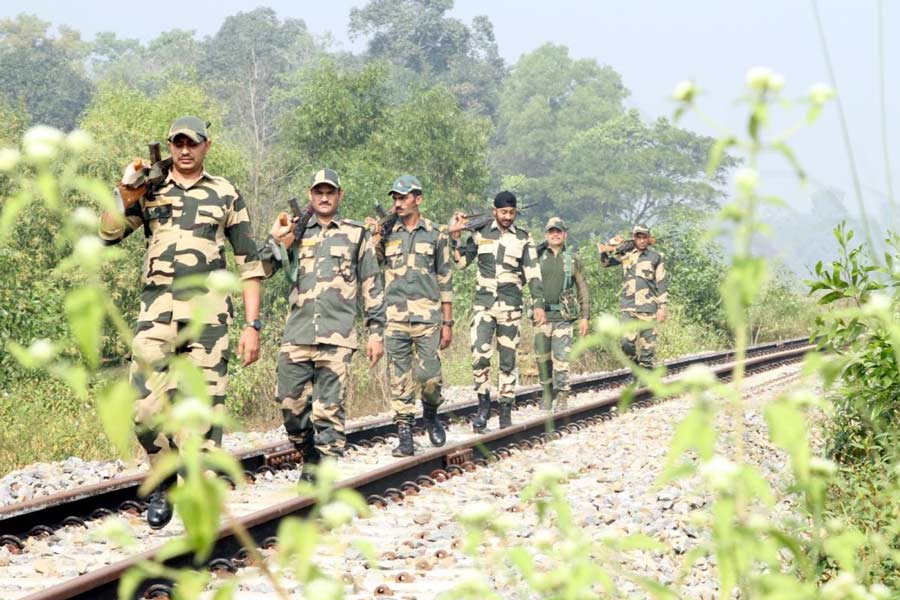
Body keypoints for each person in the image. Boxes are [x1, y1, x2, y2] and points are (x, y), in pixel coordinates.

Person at [98, 115, 265, 529]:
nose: (185, 151)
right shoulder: (150, 189)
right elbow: (107, 234)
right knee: (142, 410)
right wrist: (124, 191)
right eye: (178, 144)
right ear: (170, 147)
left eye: (192, 143)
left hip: (208, 322)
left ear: (206, 146)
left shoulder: (225, 193)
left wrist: (252, 326)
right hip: (156, 318)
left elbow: (250, 266)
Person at [262, 168, 385, 475]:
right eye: (319, 192)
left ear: (339, 196)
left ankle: (324, 470)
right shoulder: (297, 232)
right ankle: (308, 455)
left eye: (330, 192)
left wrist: (375, 332)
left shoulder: (356, 234)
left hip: (338, 334)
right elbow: (262, 269)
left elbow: (372, 283)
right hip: (298, 332)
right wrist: (276, 239)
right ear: (310, 195)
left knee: (328, 410)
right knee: (290, 405)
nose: (325, 197)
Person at [365, 175, 453, 456]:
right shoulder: (388, 232)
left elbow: (445, 280)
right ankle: (404, 433)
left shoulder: (436, 234)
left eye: (403, 197)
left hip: (428, 319)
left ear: (418, 199)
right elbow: (373, 263)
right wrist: (375, 237)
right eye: (395, 198)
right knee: (399, 378)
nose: (397, 203)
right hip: (395, 317)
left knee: (430, 378)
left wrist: (448, 322)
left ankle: (431, 412)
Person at [448, 191, 545, 431]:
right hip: (484, 304)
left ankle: (505, 409)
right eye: (503, 212)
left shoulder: (523, 238)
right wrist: (455, 237)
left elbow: (533, 273)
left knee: (508, 360)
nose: (507, 217)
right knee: (480, 356)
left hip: (510, 305)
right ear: (494, 212)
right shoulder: (481, 234)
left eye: (511, 213)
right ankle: (483, 407)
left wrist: (539, 303)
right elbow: (460, 263)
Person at [534, 217, 590, 411]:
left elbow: (582, 288)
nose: (555, 234)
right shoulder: (537, 256)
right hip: (541, 318)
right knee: (542, 359)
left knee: (561, 359)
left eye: (558, 231)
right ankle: (547, 393)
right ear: (546, 234)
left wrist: (585, 316)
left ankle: (563, 395)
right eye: (551, 231)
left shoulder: (572, 259)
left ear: (565, 234)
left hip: (564, 319)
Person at [599, 224, 669, 368]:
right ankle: (636, 367)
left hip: (649, 307)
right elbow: (605, 263)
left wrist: (662, 307)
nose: (642, 240)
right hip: (629, 307)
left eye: (644, 237)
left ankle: (645, 379)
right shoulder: (626, 254)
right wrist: (607, 247)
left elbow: (661, 282)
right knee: (626, 343)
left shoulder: (656, 257)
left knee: (647, 349)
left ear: (648, 239)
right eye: (638, 237)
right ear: (634, 238)